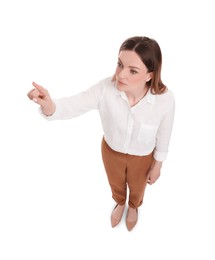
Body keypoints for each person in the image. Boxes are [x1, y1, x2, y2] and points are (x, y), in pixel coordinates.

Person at [27, 36, 175, 231]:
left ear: (149, 75)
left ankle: (133, 206)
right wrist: (50, 105)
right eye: (120, 64)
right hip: (111, 151)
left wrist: (157, 166)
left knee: (138, 188)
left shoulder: (165, 100)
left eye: (133, 71)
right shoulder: (105, 89)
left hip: (143, 157)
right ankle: (120, 202)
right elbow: (74, 104)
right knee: (116, 184)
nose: (121, 75)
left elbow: (164, 136)